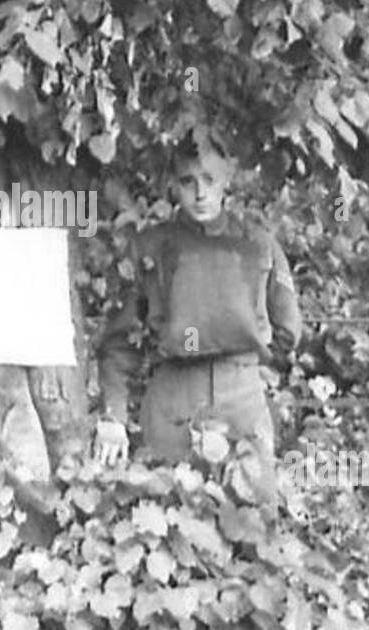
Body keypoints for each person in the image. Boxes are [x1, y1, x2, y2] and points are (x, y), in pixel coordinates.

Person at [93, 131, 301, 467]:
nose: (200, 193)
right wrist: (114, 416)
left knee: (250, 511)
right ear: (174, 185)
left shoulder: (259, 244)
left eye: (209, 180)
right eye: (188, 182)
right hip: (173, 401)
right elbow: (119, 343)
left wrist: (243, 366)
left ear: (227, 180)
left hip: (242, 402)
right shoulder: (150, 248)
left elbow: (287, 329)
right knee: (170, 506)